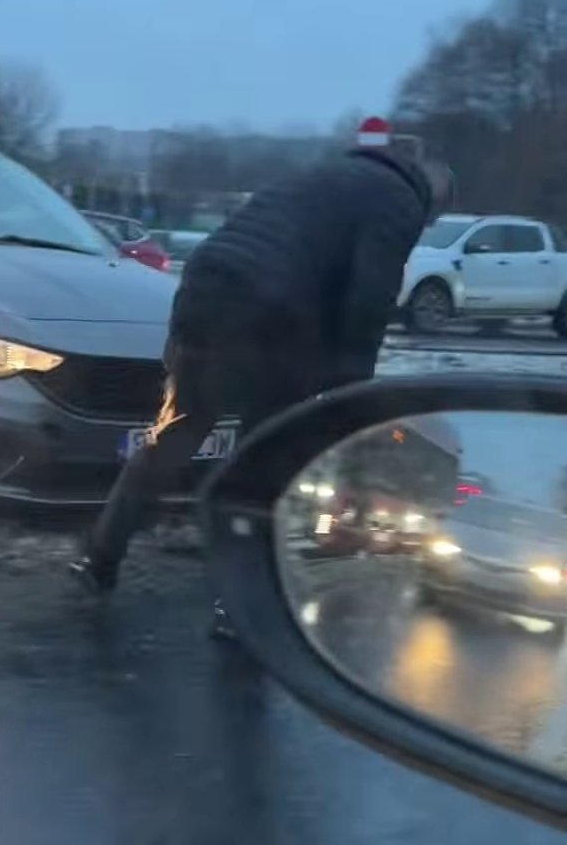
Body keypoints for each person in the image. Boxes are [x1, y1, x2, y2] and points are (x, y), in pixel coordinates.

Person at [70, 140, 455, 601]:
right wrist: (350, 394)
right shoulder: (399, 201)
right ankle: (240, 600)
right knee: (265, 457)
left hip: (205, 284)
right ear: (431, 201)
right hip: (269, 310)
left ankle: (100, 555)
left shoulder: (330, 173)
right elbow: (368, 300)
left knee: (177, 431)